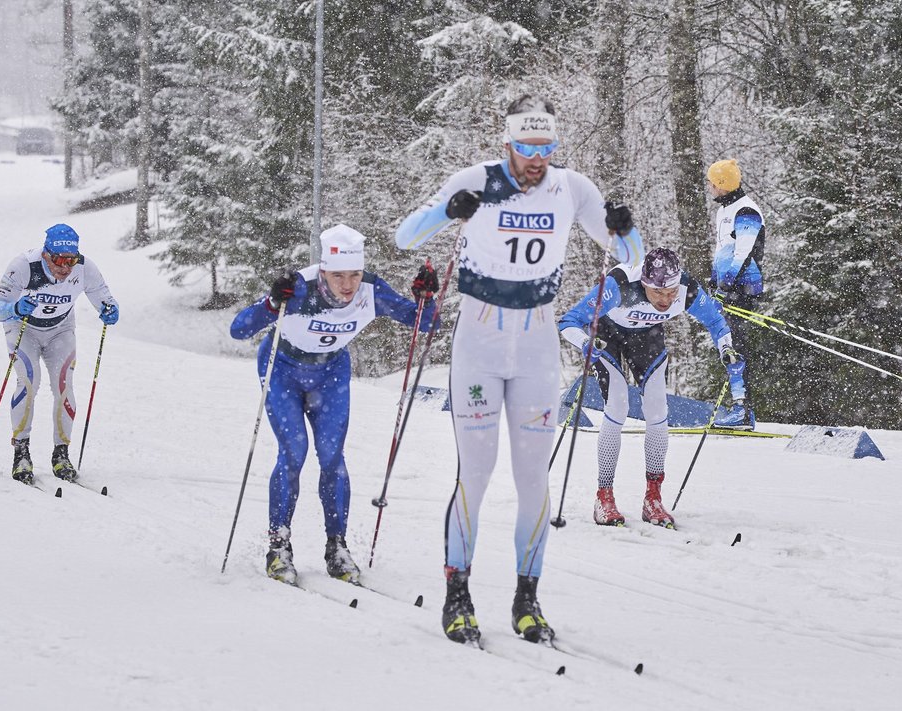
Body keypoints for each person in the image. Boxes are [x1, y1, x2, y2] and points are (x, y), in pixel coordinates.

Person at [395, 94, 643, 646]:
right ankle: (457, 594)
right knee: (475, 474)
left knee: (534, 478)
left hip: (535, 344)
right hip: (479, 342)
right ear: (506, 143)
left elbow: (629, 252)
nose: (537, 159)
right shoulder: (476, 179)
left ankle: (526, 600)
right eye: (528, 148)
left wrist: (626, 228)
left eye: (547, 148)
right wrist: (449, 211)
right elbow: (405, 236)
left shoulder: (572, 188)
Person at [230, 224, 439, 587]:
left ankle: (336, 546)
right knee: (294, 452)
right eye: (338, 275)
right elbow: (239, 329)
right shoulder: (299, 287)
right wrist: (272, 302)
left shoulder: (371, 291)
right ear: (322, 270)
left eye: (354, 275)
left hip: (330, 373)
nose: (347, 285)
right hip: (282, 368)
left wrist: (425, 298)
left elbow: (425, 322)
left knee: (332, 457)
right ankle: (279, 545)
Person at [558, 247, 744, 529]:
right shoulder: (619, 285)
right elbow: (568, 321)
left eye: (671, 293)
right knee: (618, 406)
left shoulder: (686, 289)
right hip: (607, 336)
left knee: (658, 410)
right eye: (659, 293)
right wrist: (585, 344)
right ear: (644, 283)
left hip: (647, 338)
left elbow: (717, 322)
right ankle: (604, 496)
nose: (667, 300)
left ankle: (653, 497)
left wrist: (727, 349)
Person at [0, 223, 120, 485]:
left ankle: (62, 453)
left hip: (60, 329)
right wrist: (15, 307)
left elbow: (106, 300)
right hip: (23, 327)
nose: (65, 267)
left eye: (70, 260)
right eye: (58, 259)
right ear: (46, 254)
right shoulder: (24, 265)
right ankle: (21, 451)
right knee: (28, 381)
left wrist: (110, 310)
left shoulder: (85, 268)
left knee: (64, 386)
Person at [707, 158, 766, 430]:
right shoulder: (725, 211)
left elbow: (743, 253)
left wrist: (726, 285)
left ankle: (743, 411)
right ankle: (740, 408)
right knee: (727, 345)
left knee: (735, 346)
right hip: (728, 288)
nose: (709, 187)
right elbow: (724, 250)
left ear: (723, 184)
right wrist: (714, 279)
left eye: (712, 182)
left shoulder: (746, 211)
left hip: (742, 289)